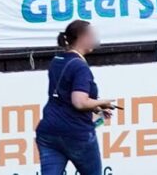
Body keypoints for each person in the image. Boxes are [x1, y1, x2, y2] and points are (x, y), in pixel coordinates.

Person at [35, 19, 118, 175]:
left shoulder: (57, 60)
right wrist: (102, 102)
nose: (95, 39)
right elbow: (79, 102)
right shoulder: (80, 66)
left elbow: (64, 96)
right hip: (76, 132)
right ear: (82, 38)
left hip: (49, 131)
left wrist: (96, 107)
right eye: (92, 35)